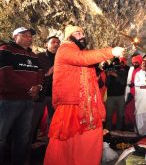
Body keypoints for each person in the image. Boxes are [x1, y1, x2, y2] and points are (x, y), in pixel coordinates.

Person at [44, 25, 124, 165]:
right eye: (78, 33)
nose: (82, 36)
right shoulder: (65, 49)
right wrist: (110, 51)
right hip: (71, 105)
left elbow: (86, 64)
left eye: (83, 33)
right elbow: (83, 58)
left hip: (84, 104)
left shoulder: (79, 51)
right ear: (69, 36)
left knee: (85, 142)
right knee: (69, 144)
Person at [0, 27, 43, 165]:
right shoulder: (6, 50)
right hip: (8, 101)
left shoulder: (34, 56)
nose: (29, 38)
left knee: (22, 138)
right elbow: (5, 74)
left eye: (30, 36)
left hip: (28, 102)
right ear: (15, 36)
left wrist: (39, 87)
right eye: (25, 35)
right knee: (1, 137)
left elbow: (40, 74)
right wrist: (29, 88)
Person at [31, 36, 61, 140]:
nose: (56, 44)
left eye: (58, 42)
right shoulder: (39, 57)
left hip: (56, 96)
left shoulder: (62, 58)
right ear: (46, 44)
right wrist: (47, 74)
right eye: (53, 42)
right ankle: (29, 144)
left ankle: (50, 146)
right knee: (33, 120)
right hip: (40, 94)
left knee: (54, 122)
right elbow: (32, 74)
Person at [105, 58, 128, 131]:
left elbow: (123, 83)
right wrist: (108, 76)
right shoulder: (109, 72)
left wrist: (115, 75)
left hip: (120, 96)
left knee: (120, 115)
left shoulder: (123, 72)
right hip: (110, 97)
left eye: (116, 63)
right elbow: (107, 85)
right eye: (114, 64)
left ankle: (118, 131)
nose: (115, 65)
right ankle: (108, 131)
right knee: (108, 115)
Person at [124, 55, 142, 129]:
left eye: (136, 62)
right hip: (131, 92)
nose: (135, 64)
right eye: (133, 62)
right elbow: (129, 79)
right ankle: (129, 123)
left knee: (136, 109)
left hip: (138, 93)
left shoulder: (142, 70)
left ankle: (136, 125)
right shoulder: (131, 69)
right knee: (128, 107)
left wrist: (134, 83)